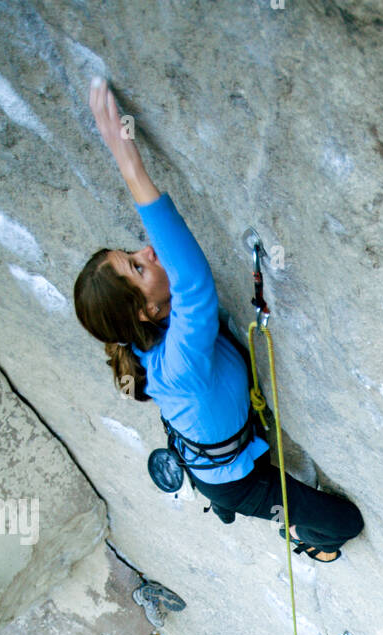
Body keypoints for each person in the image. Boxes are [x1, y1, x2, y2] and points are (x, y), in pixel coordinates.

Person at [74, 78, 363, 563]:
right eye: (138, 266)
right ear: (147, 309)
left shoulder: (152, 335)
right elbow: (191, 280)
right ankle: (308, 541)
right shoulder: (178, 359)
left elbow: (175, 279)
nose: (147, 251)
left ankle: (226, 502)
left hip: (214, 451)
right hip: (238, 482)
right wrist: (129, 163)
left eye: (132, 254)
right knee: (344, 524)